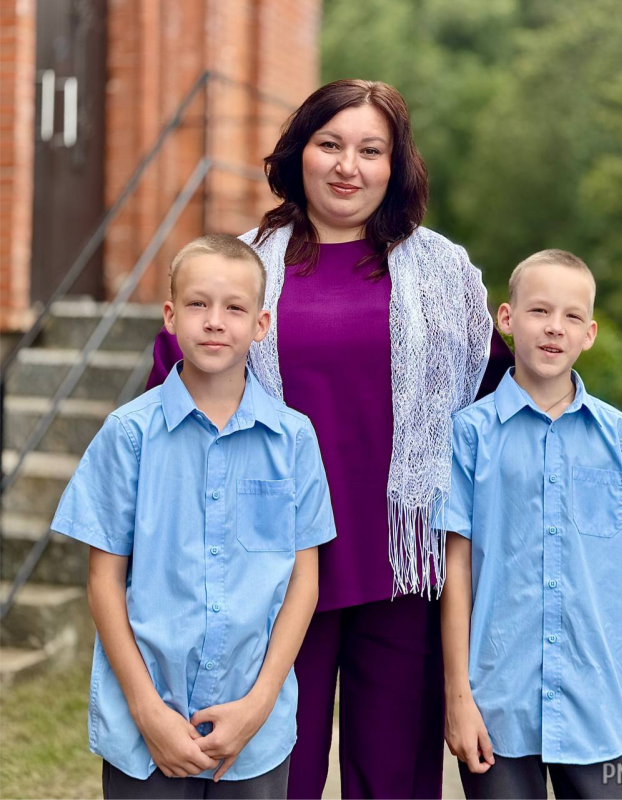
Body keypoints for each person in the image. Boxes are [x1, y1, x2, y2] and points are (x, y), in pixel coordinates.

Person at [148, 79, 513, 799]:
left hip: (402, 566)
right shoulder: (239, 267)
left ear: (395, 166)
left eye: (371, 150)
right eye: (331, 144)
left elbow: (497, 395)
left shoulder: (443, 273)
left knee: (393, 779)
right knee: (278, 773)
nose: (349, 166)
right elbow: (169, 401)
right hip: (268, 564)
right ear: (299, 153)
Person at [51, 234, 336, 799]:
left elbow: (304, 580)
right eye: (198, 304)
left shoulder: (294, 439)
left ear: (261, 324)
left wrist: (259, 704)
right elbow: (103, 580)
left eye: (234, 308)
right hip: (146, 728)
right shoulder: (127, 436)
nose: (214, 321)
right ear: (170, 316)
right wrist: (146, 710)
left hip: (254, 730)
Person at [440, 249, 622, 799]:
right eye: (539, 311)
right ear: (507, 319)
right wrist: (459, 697)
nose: (555, 327)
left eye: (572, 316)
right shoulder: (469, 437)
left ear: (589, 333)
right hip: (499, 706)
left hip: (600, 705)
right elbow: (457, 569)